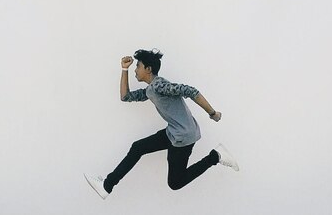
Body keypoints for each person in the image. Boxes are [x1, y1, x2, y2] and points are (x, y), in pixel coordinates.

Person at [84, 48, 238, 199]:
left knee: (175, 183)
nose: (135, 70)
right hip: (174, 132)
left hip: (183, 137)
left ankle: (216, 156)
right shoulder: (150, 89)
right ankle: (107, 185)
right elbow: (125, 97)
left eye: (138, 66)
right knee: (138, 147)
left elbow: (191, 91)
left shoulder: (159, 85)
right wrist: (124, 69)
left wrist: (213, 113)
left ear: (148, 69)